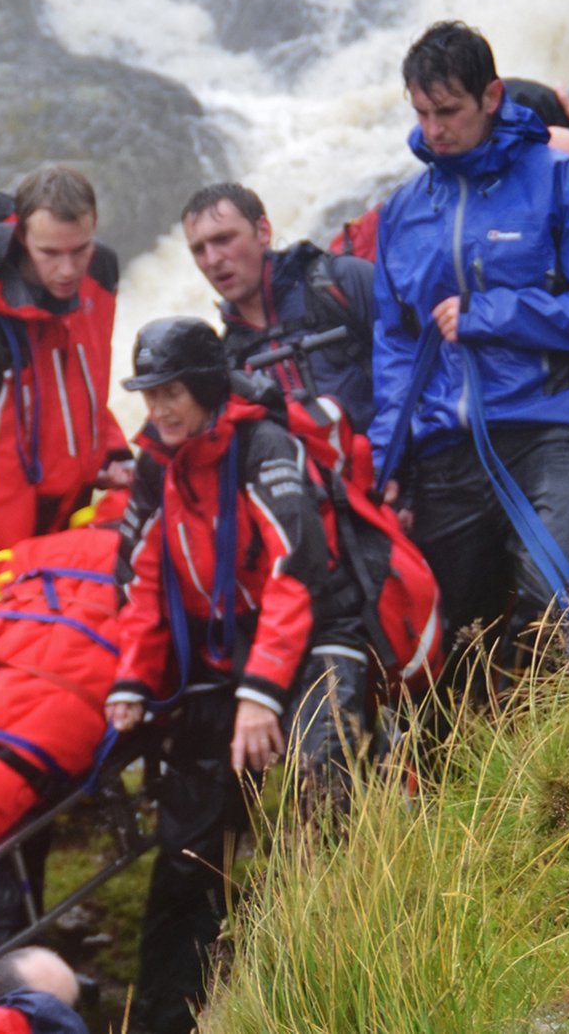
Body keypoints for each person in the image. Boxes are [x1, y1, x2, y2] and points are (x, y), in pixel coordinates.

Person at [370, 22, 569, 704]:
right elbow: (396, 348)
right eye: (422, 113)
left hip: (553, 432)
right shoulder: (404, 212)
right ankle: (462, 805)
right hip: (445, 455)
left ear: (492, 96)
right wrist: (388, 463)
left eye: (449, 111)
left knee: (557, 618)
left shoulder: (564, 182)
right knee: (448, 657)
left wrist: (493, 314)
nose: (434, 129)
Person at [106, 317, 363, 1034]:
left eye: (172, 392)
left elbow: (296, 572)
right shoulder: (160, 463)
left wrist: (263, 695)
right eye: (150, 394)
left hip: (315, 637)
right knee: (186, 845)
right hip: (228, 656)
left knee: (322, 783)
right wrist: (133, 679)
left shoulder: (263, 445)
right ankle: (166, 1016)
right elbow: (145, 579)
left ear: (209, 387)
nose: (158, 409)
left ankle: (319, 972)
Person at [0, 166, 135, 643]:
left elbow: (86, 377)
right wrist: (14, 590)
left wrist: (109, 451)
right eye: (49, 253)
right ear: (20, 239)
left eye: (80, 249)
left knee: (63, 603)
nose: (68, 269)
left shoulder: (102, 273)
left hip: (55, 466)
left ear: (95, 224)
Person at [180, 182, 377, 430]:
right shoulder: (227, 358)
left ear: (263, 230)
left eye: (224, 239)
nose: (212, 259)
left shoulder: (342, 282)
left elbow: (413, 359)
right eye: (199, 249)